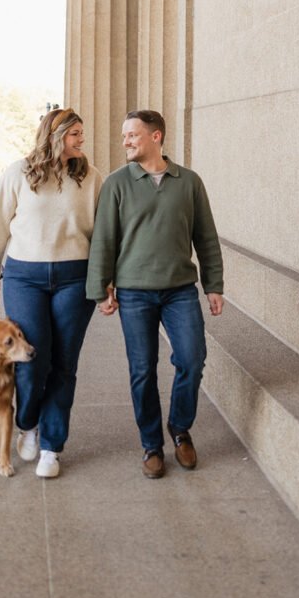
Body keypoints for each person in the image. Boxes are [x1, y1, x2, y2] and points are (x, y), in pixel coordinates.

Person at [86, 110, 224, 479]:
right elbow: (103, 240)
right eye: (124, 136)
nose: (126, 141)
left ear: (156, 137)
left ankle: (179, 429)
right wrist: (101, 289)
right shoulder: (117, 183)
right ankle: (152, 444)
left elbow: (206, 238)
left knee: (192, 360)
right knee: (143, 370)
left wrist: (214, 285)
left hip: (180, 290)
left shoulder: (189, 182)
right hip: (134, 293)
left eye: (133, 135)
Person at [0, 108, 102, 479]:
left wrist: (105, 280)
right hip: (24, 277)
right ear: (55, 136)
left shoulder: (91, 177)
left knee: (64, 364)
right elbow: (0, 226)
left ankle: (52, 447)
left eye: (82, 134)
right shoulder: (17, 173)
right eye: (75, 134)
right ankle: (29, 425)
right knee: (33, 361)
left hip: (75, 277)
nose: (81, 140)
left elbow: (102, 233)